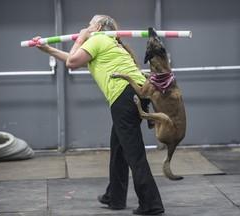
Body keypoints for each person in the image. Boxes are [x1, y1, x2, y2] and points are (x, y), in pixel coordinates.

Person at [34, 14, 165, 215]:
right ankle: (115, 197)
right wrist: (48, 49)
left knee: (134, 153)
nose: (85, 27)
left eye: (89, 25)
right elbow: (75, 58)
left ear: (97, 27)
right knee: (119, 148)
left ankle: (152, 204)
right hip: (136, 93)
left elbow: (72, 62)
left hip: (124, 96)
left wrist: (81, 37)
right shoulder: (109, 42)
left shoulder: (97, 39)